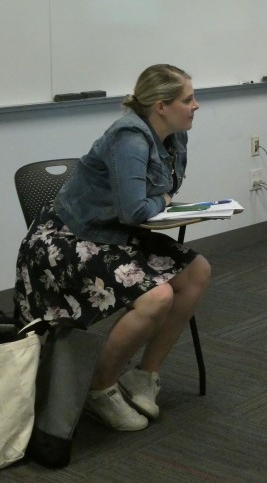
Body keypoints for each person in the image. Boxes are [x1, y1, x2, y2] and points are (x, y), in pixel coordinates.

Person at [14, 64, 210, 432]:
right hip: (66, 240)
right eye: (188, 99)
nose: (196, 106)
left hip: (113, 234)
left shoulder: (175, 134)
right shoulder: (130, 138)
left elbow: (150, 201)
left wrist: (163, 200)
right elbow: (137, 209)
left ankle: (144, 376)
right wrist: (163, 199)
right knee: (157, 297)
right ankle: (98, 389)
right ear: (160, 105)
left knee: (198, 271)